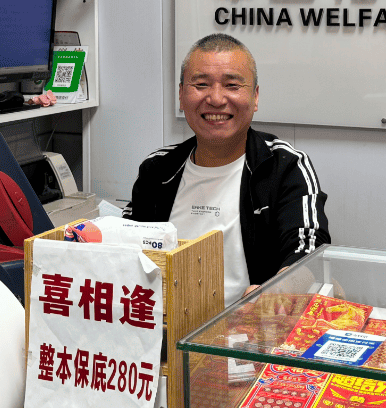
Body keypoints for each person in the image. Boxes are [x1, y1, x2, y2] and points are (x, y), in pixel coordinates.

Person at [125, 34, 330, 305]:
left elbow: (310, 250)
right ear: (181, 95)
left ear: (255, 97)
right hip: (164, 323)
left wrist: (278, 291)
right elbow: (125, 246)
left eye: (232, 85)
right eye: (201, 85)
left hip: (253, 324)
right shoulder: (158, 170)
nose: (216, 99)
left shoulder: (285, 166)